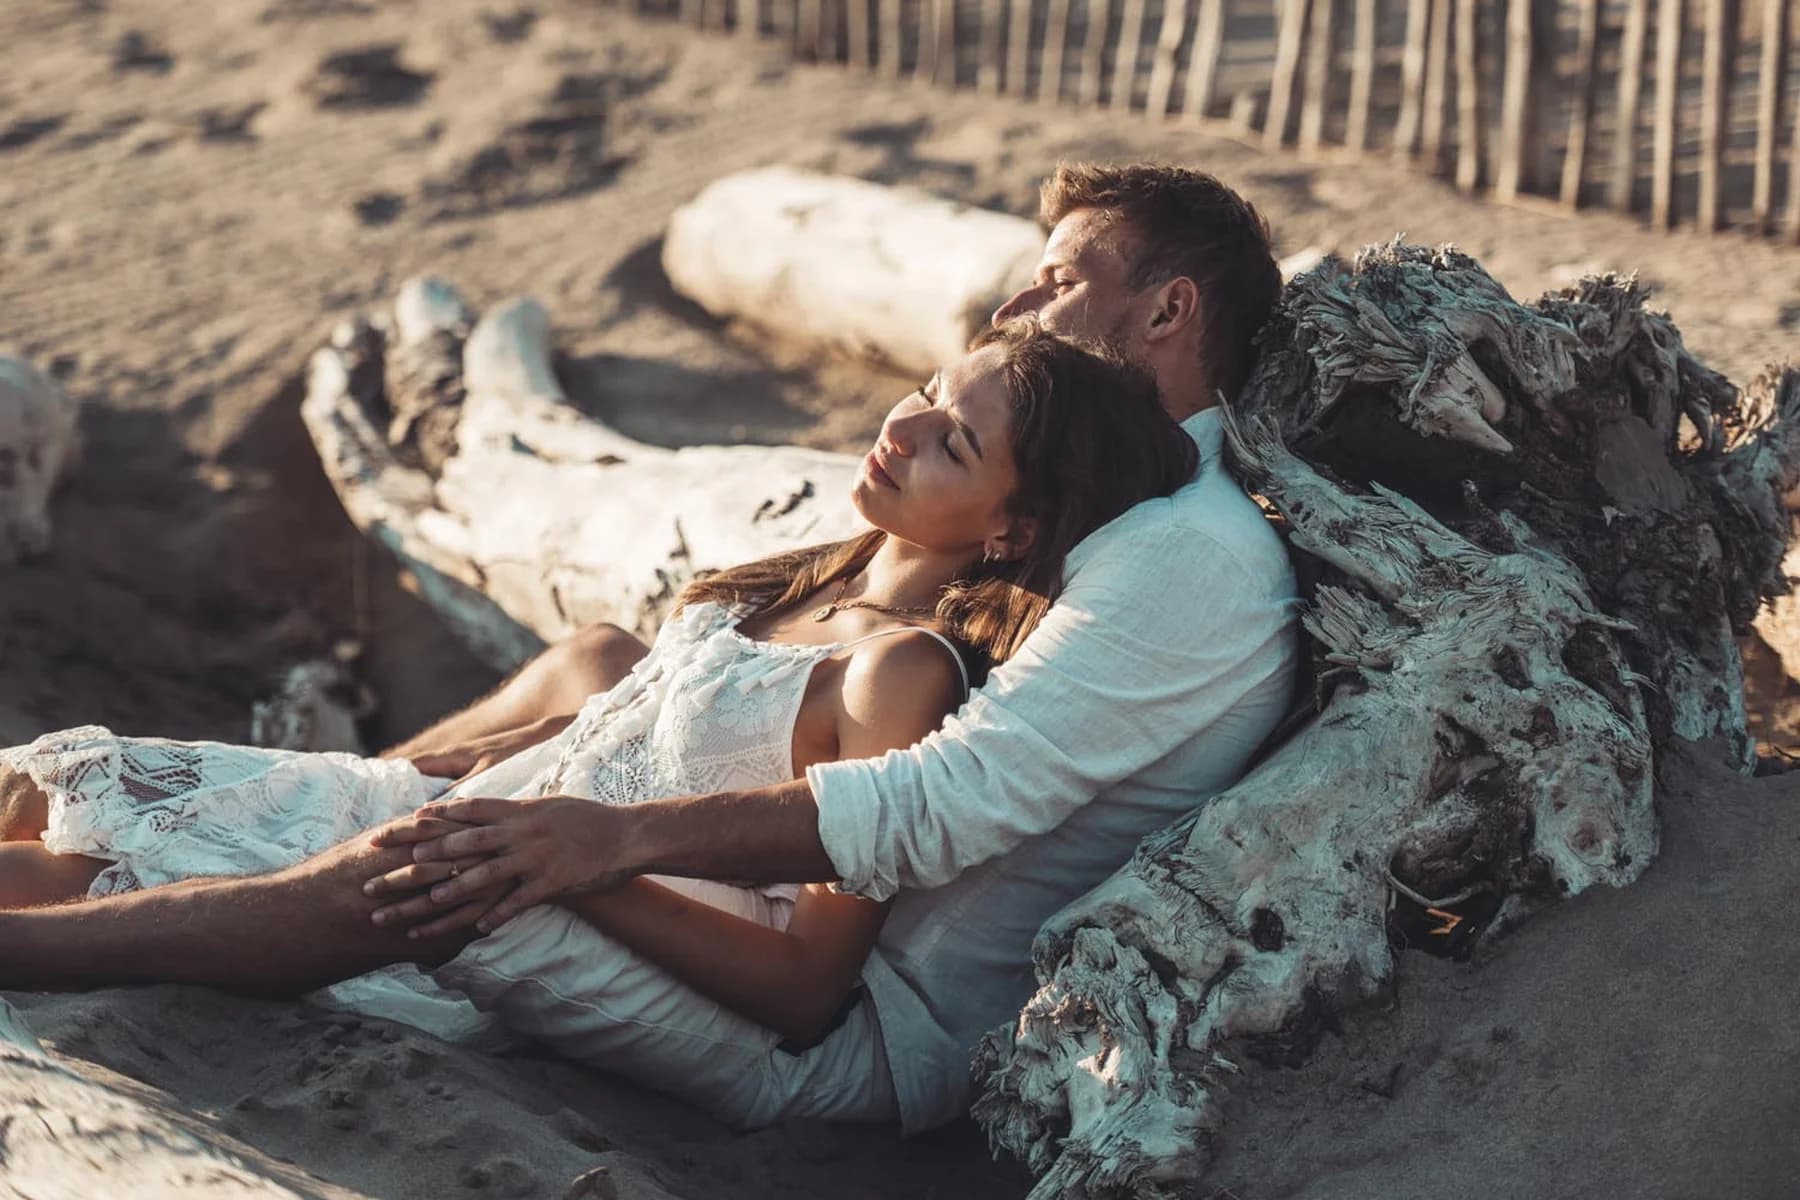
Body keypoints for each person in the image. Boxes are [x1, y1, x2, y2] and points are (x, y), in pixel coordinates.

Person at [0, 320, 1198, 1128]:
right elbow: (597, 731)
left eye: (955, 443)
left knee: (397, 858)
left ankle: (31, 953)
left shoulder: (901, 678)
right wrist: (490, 797)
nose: (905, 426)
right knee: (78, 784)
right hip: (529, 844)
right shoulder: (799, 589)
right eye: (929, 395)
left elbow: (801, 994)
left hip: (596, 920)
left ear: (1007, 532)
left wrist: (579, 867)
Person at [364, 161, 1303, 1133]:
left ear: (1169, 311)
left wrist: (611, 842)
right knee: (577, 683)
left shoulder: (1172, 546)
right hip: (792, 912)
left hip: (862, 1003)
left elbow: (929, 802)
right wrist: (584, 749)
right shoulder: (1097, 482)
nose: (1017, 303)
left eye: (1061, 280)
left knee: (423, 862)